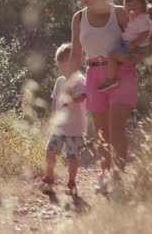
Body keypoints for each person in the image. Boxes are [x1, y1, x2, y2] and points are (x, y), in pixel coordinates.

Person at [64, 0, 146, 194]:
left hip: (121, 73)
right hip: (93, 75)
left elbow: (141, 39)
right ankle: (105, 173)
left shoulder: (119, 13)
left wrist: (134, 58)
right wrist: (70, 85)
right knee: (101, 130)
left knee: (115, 126)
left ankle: (117, 178)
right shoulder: (79, 18)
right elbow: (75, 54)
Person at [42, 43, 87, 195]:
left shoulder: (79, 79)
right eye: (59, 66)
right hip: (59, 126)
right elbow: (54, 99)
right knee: (50, 150)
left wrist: (71, 101)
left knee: (72, 156)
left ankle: (72, 182)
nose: (61, 70)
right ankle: (49, 178)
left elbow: (82, 97)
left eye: (64, 66)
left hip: (75, 127)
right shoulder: (60, 81)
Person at [97, 0, 152, 92]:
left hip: (134, 47)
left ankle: (110, 79)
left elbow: (145, 34)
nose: (132, 7)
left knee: (112, 55)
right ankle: (121, 66)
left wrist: (134, 43)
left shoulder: (142, 18)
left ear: (143, 6)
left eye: (135, 4)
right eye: (129, 5)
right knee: (113, 50)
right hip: (128, 43)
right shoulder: (134, 16)